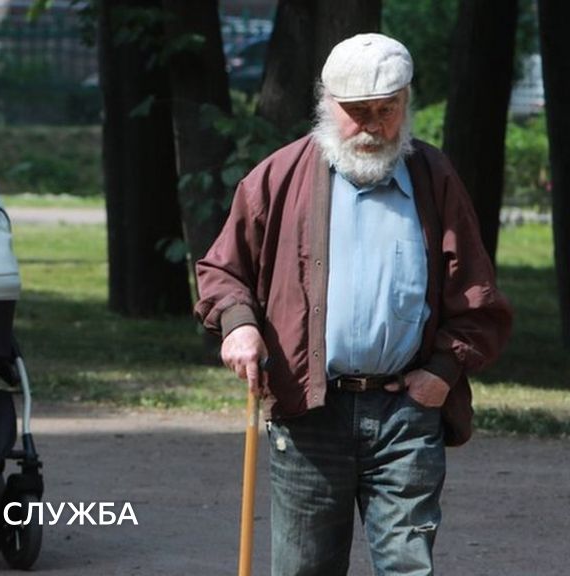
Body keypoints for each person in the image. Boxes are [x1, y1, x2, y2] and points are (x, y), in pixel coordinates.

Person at [195, 33, 513, 576]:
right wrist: (239, 325)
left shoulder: (434, 179)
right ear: (327, 104)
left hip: (406, 413)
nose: (372, 125)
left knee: (408, 568)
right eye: (357, 111)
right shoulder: (278, 177)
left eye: (386, 110)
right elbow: (223, 271)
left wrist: (442, 371)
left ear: (406, 104)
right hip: (309, 411)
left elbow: (476, 295)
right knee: (305, 568)